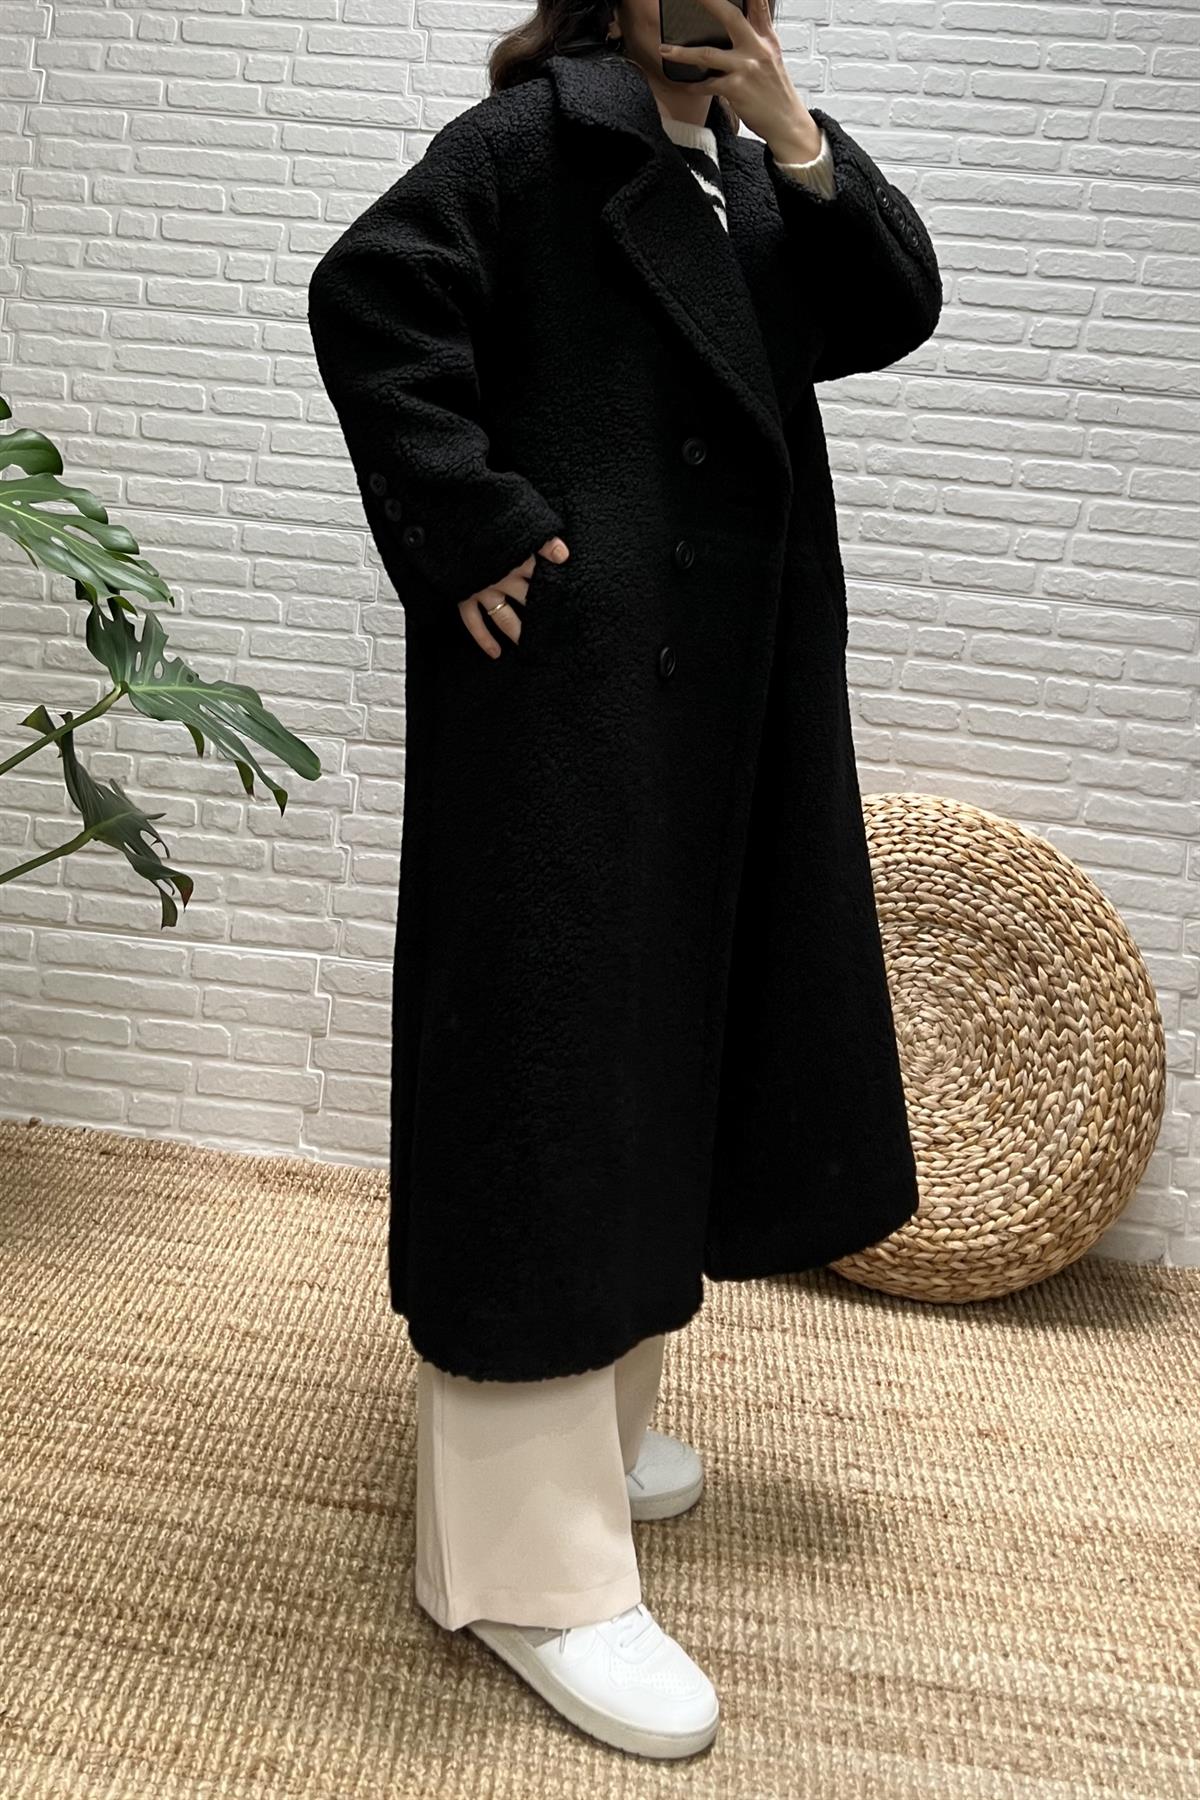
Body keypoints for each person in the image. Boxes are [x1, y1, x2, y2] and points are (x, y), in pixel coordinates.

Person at [307, 0, 942, 1762]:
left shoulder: (741, 161)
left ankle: (591, 1435)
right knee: (549, 1089)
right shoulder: (535, 142)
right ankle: (531, 1569)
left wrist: (795, 130)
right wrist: (472, 518)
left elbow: (892, 309)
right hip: (577, 701)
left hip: (723, 697)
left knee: (656, 1061)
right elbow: (370, 296)